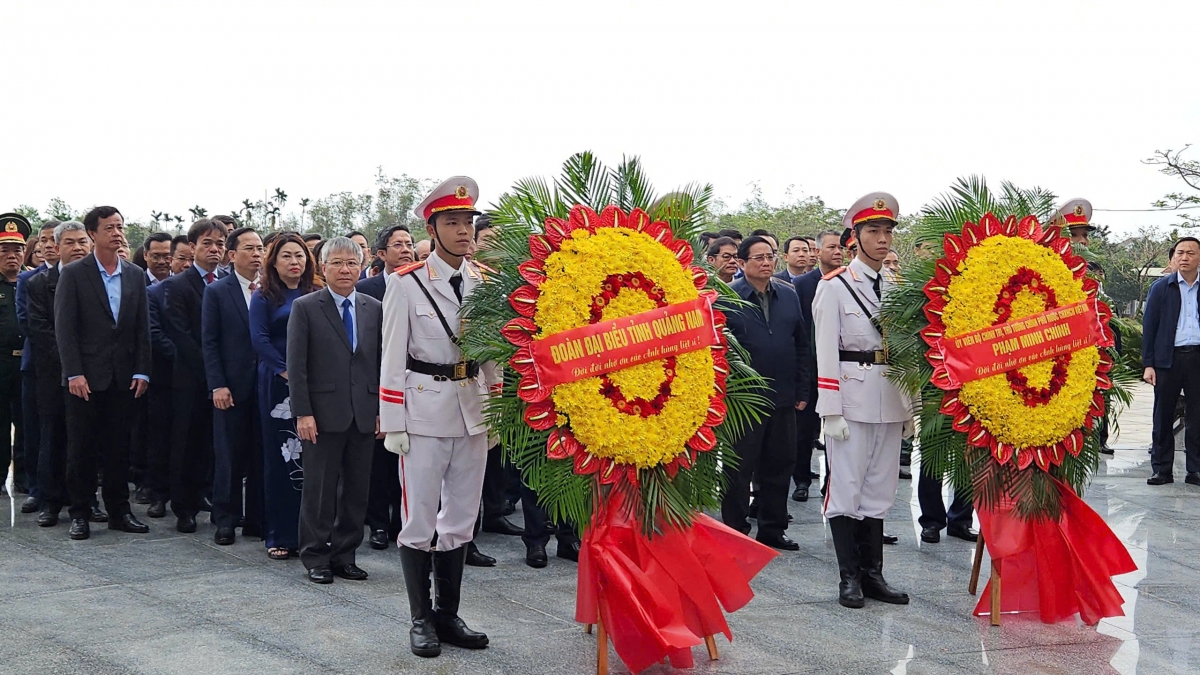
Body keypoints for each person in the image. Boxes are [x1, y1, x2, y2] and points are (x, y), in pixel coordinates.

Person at [381, 176, 495, 657]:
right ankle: (420, 619)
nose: (463, 230)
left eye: (468, 221)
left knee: (462, 517)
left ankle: (448, 615)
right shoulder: (405, 283)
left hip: (473, 410)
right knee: (419, 517)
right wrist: (392, 423)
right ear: (433, 228)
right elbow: (390, 354)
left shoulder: (484, 281)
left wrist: (497, 410)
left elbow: (493, 353)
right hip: (423, 410)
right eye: (452, 222)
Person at [813, 192, 912, 608]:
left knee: (879, 488)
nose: (883, 238)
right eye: (874, 231)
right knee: (846, 488)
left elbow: (906, 349)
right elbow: (824, 349)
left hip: (890, 398)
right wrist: (829, 409)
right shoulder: (834, 286)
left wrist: (911, 405)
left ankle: (874, 575)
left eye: (888, 231)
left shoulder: (897, 287)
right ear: (855, 237)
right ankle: (848, 577)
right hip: (851, 400)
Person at [53, 206, 152, 540]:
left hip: (124, 376)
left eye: (120, 226)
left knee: (118, 448)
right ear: (93, 234)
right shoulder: (75, 273)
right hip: (85, 378)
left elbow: (142, 329)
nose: (117, 233)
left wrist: (143, 370)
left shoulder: (135, 274)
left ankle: (119, 511)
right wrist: (73, 373)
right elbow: (64, 328)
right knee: (81, 448)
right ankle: (80, 512)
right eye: (109, 227)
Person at [288, 237, 382, 583]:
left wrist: (381, 409)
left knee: (357, 490)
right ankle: (315, 556)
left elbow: (380, 362)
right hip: (322, 412)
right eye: (338, 263)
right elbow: (296, 365)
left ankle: (346, 555)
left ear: (361, 266)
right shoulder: (307, 307)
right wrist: (303, 412)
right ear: (323, 267)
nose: (345, 269)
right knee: (320, 489)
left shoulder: (374, 307)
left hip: (364, 411)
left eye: (352, 263)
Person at [720, 235, 810, 551]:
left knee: (779, 465)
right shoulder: (729, 298)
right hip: (745, 401)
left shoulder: (788, 295)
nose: (766, 262)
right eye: (757, 257)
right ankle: (736, 530)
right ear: (742, 264)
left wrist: (802, 388)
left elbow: (801, 344)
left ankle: (772, 529)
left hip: (783, 396)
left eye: (770, 256)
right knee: (739, 469)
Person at [252, 233, 316, 560]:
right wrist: (285, 371)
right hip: (278, 383)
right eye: (287, 256)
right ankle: (278, 533)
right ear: (274, 261)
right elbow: (259, 339)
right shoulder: (264, 296)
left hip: (315, 383)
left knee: (314, 459)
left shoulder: (316, 292)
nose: (295, 262)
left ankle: (313, 533)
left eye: (300, 256)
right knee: (281, 458)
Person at [163, 218, 228, 533]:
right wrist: (211, 369)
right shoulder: (178, 285)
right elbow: (180, 334)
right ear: (192, 247)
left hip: (225, 381)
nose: (214, 249)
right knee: (186, 443)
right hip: (190, 379)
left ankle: (207, 495)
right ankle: (184, 507)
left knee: (213, 445)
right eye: (207, 243)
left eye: (219, 243)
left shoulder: (229, 282)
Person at [27, 221, 93, 526]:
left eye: (82, 242)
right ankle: (51, 502)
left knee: (87, 441)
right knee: (53, 437)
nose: (77, 248)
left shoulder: (100, 280)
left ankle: (87, 501)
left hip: (93, 375)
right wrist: (72, 362)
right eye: (70, 242)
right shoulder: (38, 284)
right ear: (55, 246)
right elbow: (40, 329)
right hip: (54, 374)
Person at [203, 226, 266, 545]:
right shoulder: (217, 291)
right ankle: (225, 519)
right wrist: (217, 385)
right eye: (250, 248)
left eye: (260, 248)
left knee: (261, 454)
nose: (257, 254)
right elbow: (210, 342)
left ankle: (256, 519)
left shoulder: (270, 289)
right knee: (228, 455)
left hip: (266, 387)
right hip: (230, 387)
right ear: (232, 255)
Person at [356, 224, 413, 551]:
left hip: (418, 384)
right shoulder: (367, 289)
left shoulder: (423, 283)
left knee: (409, 462)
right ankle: (377, 524)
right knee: (379, 462)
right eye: (397, 244)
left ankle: (400, 524)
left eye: (409, 243)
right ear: (381, 254)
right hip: (377, 384)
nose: (405, 249)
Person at [1143, 236, 1200, 486]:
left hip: (1197, 358)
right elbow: (1150, 327)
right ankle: (1162, 469)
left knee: (1197, 416)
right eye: (1180, 253)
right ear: (1173, 257)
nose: (1184, 257)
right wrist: (1148, 364)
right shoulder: (1161, 288)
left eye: (1190, 253)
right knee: (1163, 416)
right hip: (1168, 360)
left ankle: (1195, 470)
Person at [792, 230, 844, 500]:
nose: (838, 252)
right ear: (818, 252)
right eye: (832, 247)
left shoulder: (849, 282)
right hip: (810, 370)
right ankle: (802, 480)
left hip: (841, 371)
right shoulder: (801, 285)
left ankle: (832, 484)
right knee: (804, 431)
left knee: (839, 433)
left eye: (841, 247)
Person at [15, 219, 59, 513]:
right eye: (42, 240)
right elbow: (27, 322)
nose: (47, 245)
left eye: (53, 239)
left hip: (79, 368)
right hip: (39, 364)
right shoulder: (27, 281)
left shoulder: (83, 276)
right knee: (35, 430)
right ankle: (36, 488)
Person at [0, 214, 30, 499]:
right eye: (5, 250)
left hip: (28, 363)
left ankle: (24, 477)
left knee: (27, 423)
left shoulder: (34, 281)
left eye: (17, 250)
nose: (12, 255)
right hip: (1, 363)